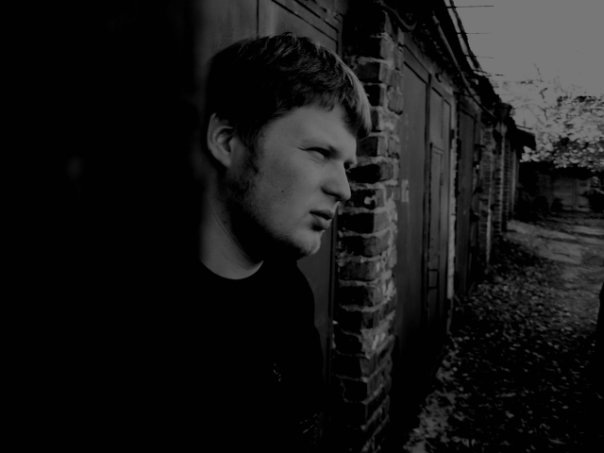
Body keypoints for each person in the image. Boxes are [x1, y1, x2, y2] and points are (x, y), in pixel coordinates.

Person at [195, 33, 371, 452]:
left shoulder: (290, 293)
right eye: (319, 152)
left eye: (346, 166)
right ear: (227, 141)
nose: (344, 189)